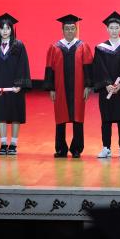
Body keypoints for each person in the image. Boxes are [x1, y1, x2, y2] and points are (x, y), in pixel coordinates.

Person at [44, 13, 93, 157]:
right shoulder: (55, 47)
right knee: (60, 117)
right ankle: (61, 149)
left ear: (76, 29)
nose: (70, 31)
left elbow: (88, 68)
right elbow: (50, 69)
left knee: (78, 117)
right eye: (67, 28)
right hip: (60, 88)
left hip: (78, 88)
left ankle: (76, 148)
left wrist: (87, 86)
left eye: (72, 28)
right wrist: (51, 88)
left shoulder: (83, 46)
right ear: (62, 30)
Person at [92, 11, 120, 159]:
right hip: (106, 90)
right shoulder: (100, 48)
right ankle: (106, 147)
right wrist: (106, 84)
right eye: (111, 28)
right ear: (107, 29)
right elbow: (99, 67)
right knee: (106, 119)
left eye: (116, 27)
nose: (114, 30)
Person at [0, 13, 31, 155]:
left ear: (12, 29)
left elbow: (23, 65)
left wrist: (20, 84)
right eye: (2, 28)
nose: (5, 31)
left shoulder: (19, 46)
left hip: (14, 86)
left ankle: (14, 144)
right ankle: (3, 143)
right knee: (1, 115)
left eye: (8, 28)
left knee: (15, 115)